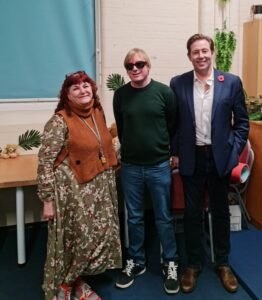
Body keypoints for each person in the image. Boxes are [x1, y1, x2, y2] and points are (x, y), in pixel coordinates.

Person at [170, 34, 249, 293]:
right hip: (192, 156)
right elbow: (173, 123)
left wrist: (233, 148)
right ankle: (192, 264)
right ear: (189, 55)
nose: (201, 55)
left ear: (212, 52)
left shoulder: (231, 82)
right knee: (192, 214)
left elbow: (242, 123)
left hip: (220, 158)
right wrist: (175, 150)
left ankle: (223, 263)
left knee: (220, 211)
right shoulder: (178, 83)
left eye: (205, 50)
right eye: (196, 52)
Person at [37, 71, 122, 300]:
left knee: (95, 240)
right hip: (72, 195)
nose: (83, 90)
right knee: (76, 243)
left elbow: (102, 147)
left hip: (99, 191)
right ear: (67, 95)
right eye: (76, 88)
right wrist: (47, 200)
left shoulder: (97, 112)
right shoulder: (59, 121)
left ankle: (77, 281)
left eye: (86, 86)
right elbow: (45, 161)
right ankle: (63, 287)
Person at [113, 48, 179, 294]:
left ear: (148, 66)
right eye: (129, 66)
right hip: (130, 167)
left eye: (139, 64)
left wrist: (169, 153)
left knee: (163, 217)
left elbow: (172, 125)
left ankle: (170, 261)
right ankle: (136, 261)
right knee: (134, 217)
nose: (135, 69)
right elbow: (122, 127)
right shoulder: (120, 95)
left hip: (159, 166)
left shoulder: (164, 93)